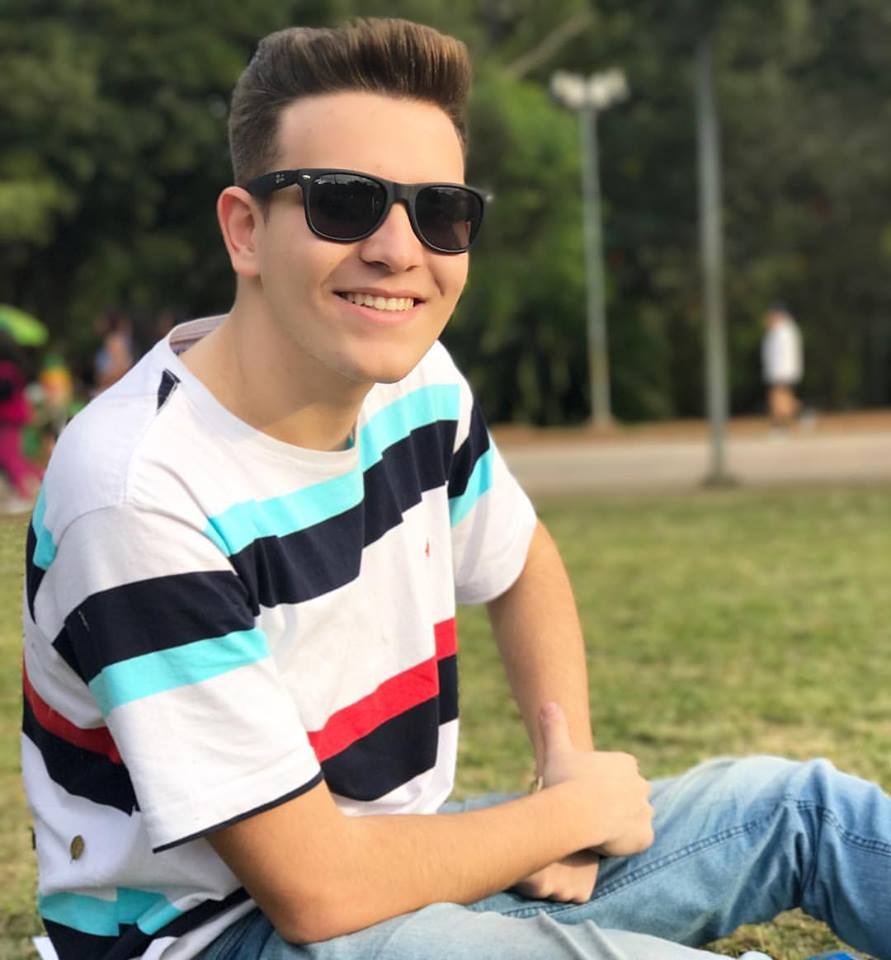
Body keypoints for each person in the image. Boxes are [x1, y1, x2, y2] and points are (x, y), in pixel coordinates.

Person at [21, 19, 891, 960]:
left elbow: (521, 563)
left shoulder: (416, 383)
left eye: (440, 212)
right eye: (344, 203)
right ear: (245, 230)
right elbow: (313, 888)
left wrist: (567, 760)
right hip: (217, 936)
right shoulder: (138, 489)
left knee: (805, 812)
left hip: (404, 869)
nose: (399, 250)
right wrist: (562, 818)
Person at [0, 331, 42, 509]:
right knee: (13, 456)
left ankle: (24, 491)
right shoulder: (12, 367)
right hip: (11, 419)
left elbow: (5, 392)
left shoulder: (6, 369)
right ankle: (40, 476)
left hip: (9, 419)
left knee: (10, 457)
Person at [761, 305, 803, 431]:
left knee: (777, 396)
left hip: (781, 370)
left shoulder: (783, 331)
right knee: (785, 397)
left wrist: (780, 372)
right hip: (780, 370)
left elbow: (782, 354)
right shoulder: (782, 330)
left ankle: (778, 423)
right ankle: (800, 415)